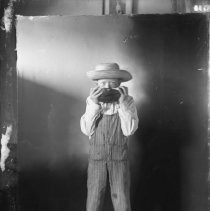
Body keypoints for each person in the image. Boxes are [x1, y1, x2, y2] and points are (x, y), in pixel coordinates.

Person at [80, 63, 139, 211]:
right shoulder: (92, 102)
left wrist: (123, 105)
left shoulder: (128, 102)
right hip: (96, 159)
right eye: (102, 83)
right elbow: (87, 130)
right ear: (96, 85)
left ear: (120, 84)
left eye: (112, 84)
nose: (107, 87)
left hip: (120, 160)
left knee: (122, 200)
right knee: (94, 199)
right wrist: (94, 104)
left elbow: (129, 130)